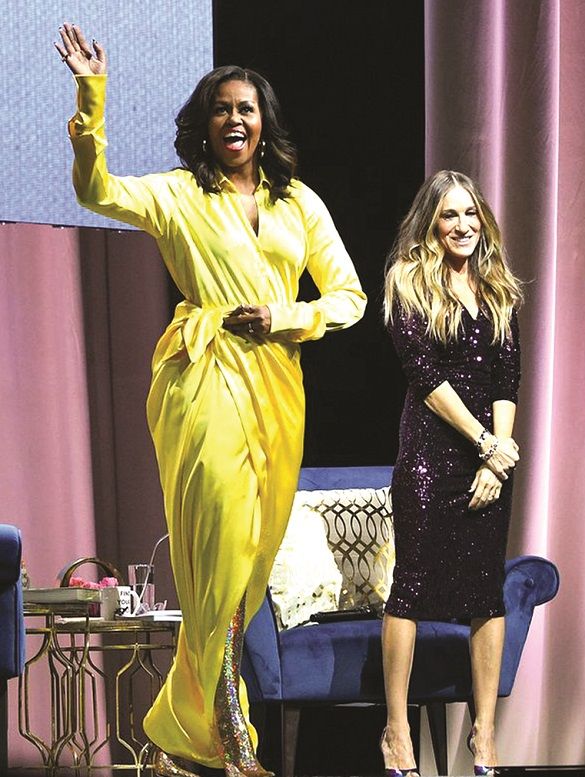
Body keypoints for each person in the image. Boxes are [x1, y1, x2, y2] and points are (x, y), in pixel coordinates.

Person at [54, 23, 366, 777]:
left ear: (264, 123)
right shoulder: (178, 194)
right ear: (205, 123)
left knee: (248, 563)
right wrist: (91, 96)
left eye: (246, 109)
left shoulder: (299, 204)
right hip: (203, 377)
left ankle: (172, 738)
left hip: (277, 387)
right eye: (221, 109)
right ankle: (233, 738)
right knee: (221, 551)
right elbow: (97, 190)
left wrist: (288, 317)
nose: (234, 119)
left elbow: (349, 297)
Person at [381, 170, 522, 777]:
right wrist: (486, 443)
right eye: (449, 216)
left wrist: (499, 455)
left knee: (487, 593)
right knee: (410, 589)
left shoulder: (497, 288)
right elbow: (426, 377)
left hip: (489, 459)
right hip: (430, 456)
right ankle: (396, 732)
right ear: (431, 225)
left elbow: (507, 379)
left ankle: (484, 735)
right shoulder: (407, 282)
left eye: (470, 214)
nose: (463, 226)